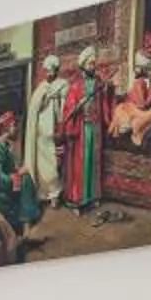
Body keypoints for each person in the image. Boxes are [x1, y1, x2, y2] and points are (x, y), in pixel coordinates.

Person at [0, 109, 43, 248]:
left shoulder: (4, 147)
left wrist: (17, 173)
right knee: (25, 180)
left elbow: (9, 172)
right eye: (14, 126)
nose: (17, 129)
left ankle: (26, 228)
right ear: (6, 129)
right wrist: (18, 175)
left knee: (26, 178)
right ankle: (25, 228)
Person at [56, 49, 106, 210]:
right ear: (83, 65)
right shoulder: (76, 85)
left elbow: (104, 101)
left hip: (95, 127)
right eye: (90, 63)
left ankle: (93, 196)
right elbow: (68, 110)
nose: (93, 66)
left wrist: (107, 89)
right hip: (82, 129)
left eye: (94, 63)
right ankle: (78, 200)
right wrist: (78, 104)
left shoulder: (98, 82)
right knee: (81, 165)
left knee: (93, 162)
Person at [24, 56, 66, 208]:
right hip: (41, 130)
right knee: (42, 164)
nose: (49, 73)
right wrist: (43, 96)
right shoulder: (41, 88)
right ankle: (43, 193)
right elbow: (35, 107)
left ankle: (55, 194)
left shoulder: (62, 85)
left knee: (55, 164)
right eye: (47, 70)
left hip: (55, 129)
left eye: (52, 70)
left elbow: (64, 108)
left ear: (56, 70)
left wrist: (61, 125)